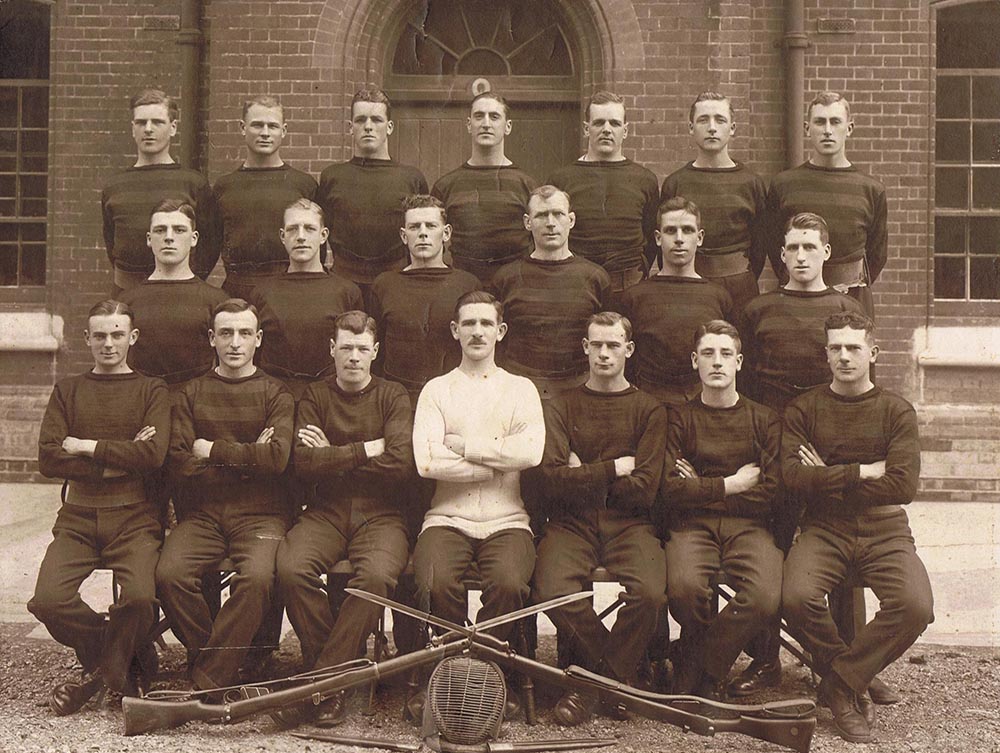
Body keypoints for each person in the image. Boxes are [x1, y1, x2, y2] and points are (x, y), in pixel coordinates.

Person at [730, 211, 866, 699]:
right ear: (781, 254)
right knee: (771, 550)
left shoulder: (846, 311)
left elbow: (856, 386)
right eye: (793, 248)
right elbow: (742, 386)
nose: (802, 256)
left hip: (827, 447)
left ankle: (854, 668)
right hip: (771, 446)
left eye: (811, 247)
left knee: (843, 547)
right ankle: (765, 661)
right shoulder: (758, 309)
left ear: (827, 253)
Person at [781, 312, 933, 744]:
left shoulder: (896, 410)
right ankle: (851, 680)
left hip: (885, 530)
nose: (844, 356)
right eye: (835, 348)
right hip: (824, 529)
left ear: (873, 352)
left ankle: (839, 683)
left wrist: (827, 477)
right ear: (826, 354)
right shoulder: (804, 408)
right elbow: (792, 477)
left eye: (853, 348)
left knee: (915, 605)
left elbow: (902, 485)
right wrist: (864, 472)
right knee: (795, 595)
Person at [29, 300, 169, 713]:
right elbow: (49, 459)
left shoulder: (151, 389)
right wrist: (122, 459)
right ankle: (123, 654)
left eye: (117, 334)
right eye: (100, 336)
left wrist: (87, 448)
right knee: (47, 600)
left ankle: (102, 673)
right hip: (78, 517)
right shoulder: (68, 390)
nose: (109, 344)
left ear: (132, 337)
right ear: (87, 339)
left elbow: (155, 455)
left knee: (142, 599)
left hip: (135, 519)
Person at [276, 311, 413, 726]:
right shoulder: (314, 396)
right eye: (346, 348)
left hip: (383, 514)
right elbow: (304, 462)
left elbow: (400, 463)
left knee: (373, 581)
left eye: (362, 349)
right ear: (332, 350)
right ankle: (338, 674)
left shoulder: (393, 395)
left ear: (375, 352)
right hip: (326, 511)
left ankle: (320, 684)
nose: (353, 357)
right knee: (291, 567)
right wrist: (367, 448)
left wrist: (332, 452)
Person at [532, 310, 666, 726]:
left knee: (649, 593)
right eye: (596, 345)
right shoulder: (560, 405)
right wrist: (612, 468)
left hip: (630, 523)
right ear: (585, 348)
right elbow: (551, 481)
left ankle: (593, 685)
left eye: (613, 346)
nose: (604, 354)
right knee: (551, 588)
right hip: (571, 523)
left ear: (628, 350)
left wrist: (583, 470)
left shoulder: (650, 409)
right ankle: (620, 679)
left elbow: (644, 488)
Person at [410, 291, 544, 706]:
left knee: (507, 584)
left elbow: (532, 453)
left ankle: (478, 677)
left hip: (507, 520)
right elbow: (427, 462)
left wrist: (464, 446)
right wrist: (498, 460)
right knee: (435, 584)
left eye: (486, 323)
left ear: (500, 332)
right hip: (447, 517)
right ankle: (458, 675)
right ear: (455, 331)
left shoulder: (521, 389)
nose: (477, 331)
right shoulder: (436, 390)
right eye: (468, 323)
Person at [156, 299, 294, 693]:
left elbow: (278, 458)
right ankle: (221, 665)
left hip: (262, 516)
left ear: (259, 339)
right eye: (226, 333)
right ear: (212, 338)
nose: (235, 343)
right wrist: (251, 454)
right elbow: (181, 463)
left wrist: (211, 450)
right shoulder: (189, 394)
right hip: (203, 514)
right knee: (170, 574)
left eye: (245, 333)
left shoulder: (276, 393)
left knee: (255, 578)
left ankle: (208, 676)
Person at [659, 320, 782, 702]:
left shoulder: (764, 419)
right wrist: (732, 484)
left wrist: (700, 486)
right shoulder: (678, 417)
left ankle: (700, 665)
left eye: (726, 354)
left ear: (739, 362)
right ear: (695, 361)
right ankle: (705, 671)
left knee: (763, 594)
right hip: (692, 526)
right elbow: (669, 490)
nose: (717, 362)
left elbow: (771, 492)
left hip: (749, 527)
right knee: (682, 588)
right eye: (708, 354)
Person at [766, 92, 887, 319]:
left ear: (849, 128)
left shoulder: (871, 189)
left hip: (853, 298)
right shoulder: (784, 185)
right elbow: (774, 247)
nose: (827, 130)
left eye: (835, 122)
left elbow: (877, 254)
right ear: (807, 128)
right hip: (798, 298)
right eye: (820, 122)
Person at [489, 185, 610, 399]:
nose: (551, 223)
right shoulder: (506, 278)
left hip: (579, 389)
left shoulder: (595, 278)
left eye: (558, 214)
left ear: (571, 220)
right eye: (542, 215)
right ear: (528, 222)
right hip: (519, 390)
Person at [619, 197, 735, 406]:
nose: (679, 239)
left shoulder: (719, 297)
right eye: (671, 231)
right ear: (657, 237)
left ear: (699, 238)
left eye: (687, 230)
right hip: (651, 404)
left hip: (702, 406)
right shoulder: (635, 297)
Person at [102, 89, 219, 294]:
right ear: (132, 128)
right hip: (126, 292)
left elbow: (210, 245)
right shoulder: (114, 186)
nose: (148, 129)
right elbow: (112, 243)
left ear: (173, 128)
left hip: (180, 292)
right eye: (141, 122)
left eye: (157, 122)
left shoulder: (193, 183)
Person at [316, 89, 428, 304]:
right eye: (360, 120)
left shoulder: (411, 178)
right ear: (351, 128)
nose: (368, 126)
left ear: (389, 127)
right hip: (343, 280)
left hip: (396, 281)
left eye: (376, 120)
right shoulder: (333, 177)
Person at [547, 91, 659, 301]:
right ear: (586, 128)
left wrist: (639, 269)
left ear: (625, 131)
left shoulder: (645, 179)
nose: (607, 130)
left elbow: (651, 236)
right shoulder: (562, 179)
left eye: (614, 124)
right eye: (599, 123)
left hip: (628, 286)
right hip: (576, 285)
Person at [661, 92, 767, 313]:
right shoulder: (676, 183)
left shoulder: (751, 183)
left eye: (720, 120)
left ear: (733, 128)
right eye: (703, 120)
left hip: (738, 286)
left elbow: (760, 246)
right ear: (691, 128)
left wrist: (737, 275)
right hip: (687, 283)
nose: (711, 127)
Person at [369, 195, 481, 405]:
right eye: (414, 227)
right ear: (404, 235)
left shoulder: (467, 285)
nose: (422, 233)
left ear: (446, 233)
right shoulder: (384, 285)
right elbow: (376, 351)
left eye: (430, 226)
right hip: (398, 400)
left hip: (455, 398)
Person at [250, 199, 364, 401]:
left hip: (330, 400)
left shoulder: (347, 292)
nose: (300, 237)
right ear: (283, 237)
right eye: (293, 229)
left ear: (323, 236)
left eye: (309, 229)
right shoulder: (262, 293)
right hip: (275, 398)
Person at [212, 95, 318, 301]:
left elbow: (316, 251)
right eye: (257, 125)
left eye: (273, 126)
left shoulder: (303, 184)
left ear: (284, 131)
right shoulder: (225, 186)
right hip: (238, 289)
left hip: (290, 289)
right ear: (243, 128)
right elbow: (210, 246)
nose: (265, 133)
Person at [119, 200, 228, 389]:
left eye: (179, 230)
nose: (169, 238)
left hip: (195, 405)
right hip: (142, 403)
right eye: (160, 230)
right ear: (148, 238)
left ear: (194, 239)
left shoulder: (216, 301)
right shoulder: (127, 301)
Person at [431, 92, 537, 284]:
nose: (486, 123)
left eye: (494, 117)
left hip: (515, 285)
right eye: (479, 116)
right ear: (469, 124)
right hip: (462, 285)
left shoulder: (526, 185)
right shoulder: (446, 185)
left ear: (508, 126)